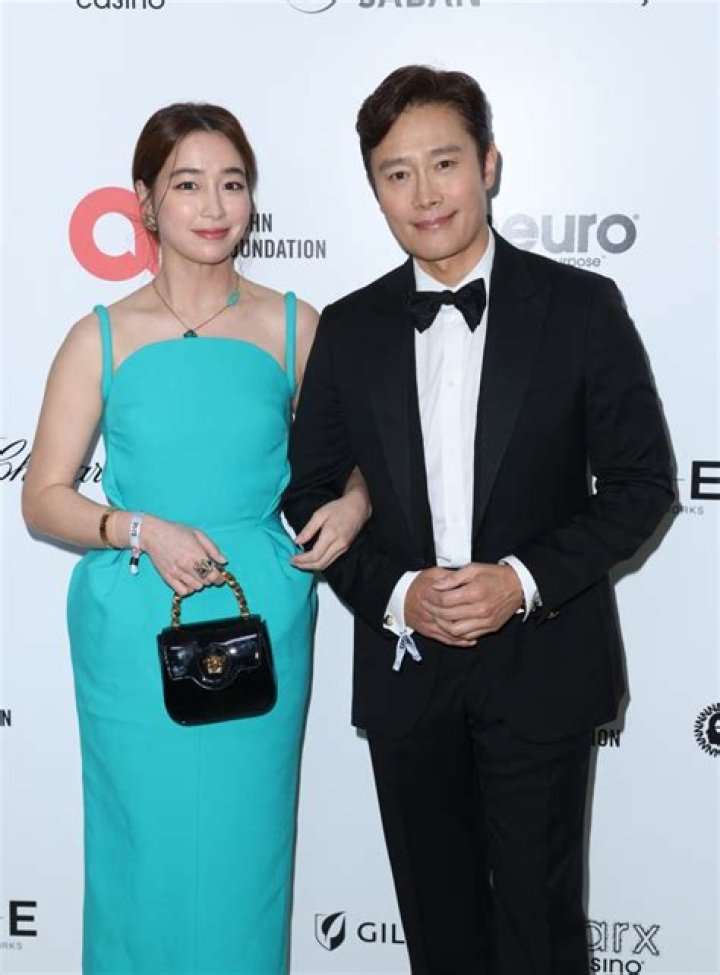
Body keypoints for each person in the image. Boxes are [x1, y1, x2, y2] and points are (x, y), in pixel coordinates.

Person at [284, 66, 674, 975]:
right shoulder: (349, 327)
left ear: (488, 164)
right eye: (396, 173)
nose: (424, 194)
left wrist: (520, 582)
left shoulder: (580, 308)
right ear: (374, 187)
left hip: (543, 666)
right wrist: (399, 595)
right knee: (439, 938)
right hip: (408, 675)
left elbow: (641, 483)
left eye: (445, 162)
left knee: (541, 936)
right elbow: (309, 496)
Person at [22, 102, 370, 975]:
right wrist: (136, 525)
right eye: (188, 184)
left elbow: (363, 463)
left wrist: (357, 504)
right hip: (135, 611)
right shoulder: (101, 335)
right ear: (145, 201)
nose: (214, 206)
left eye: (232, 183)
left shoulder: (295, 325)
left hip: (259, 608)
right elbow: (43, 498)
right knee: (142, 848)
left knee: (246, 850)